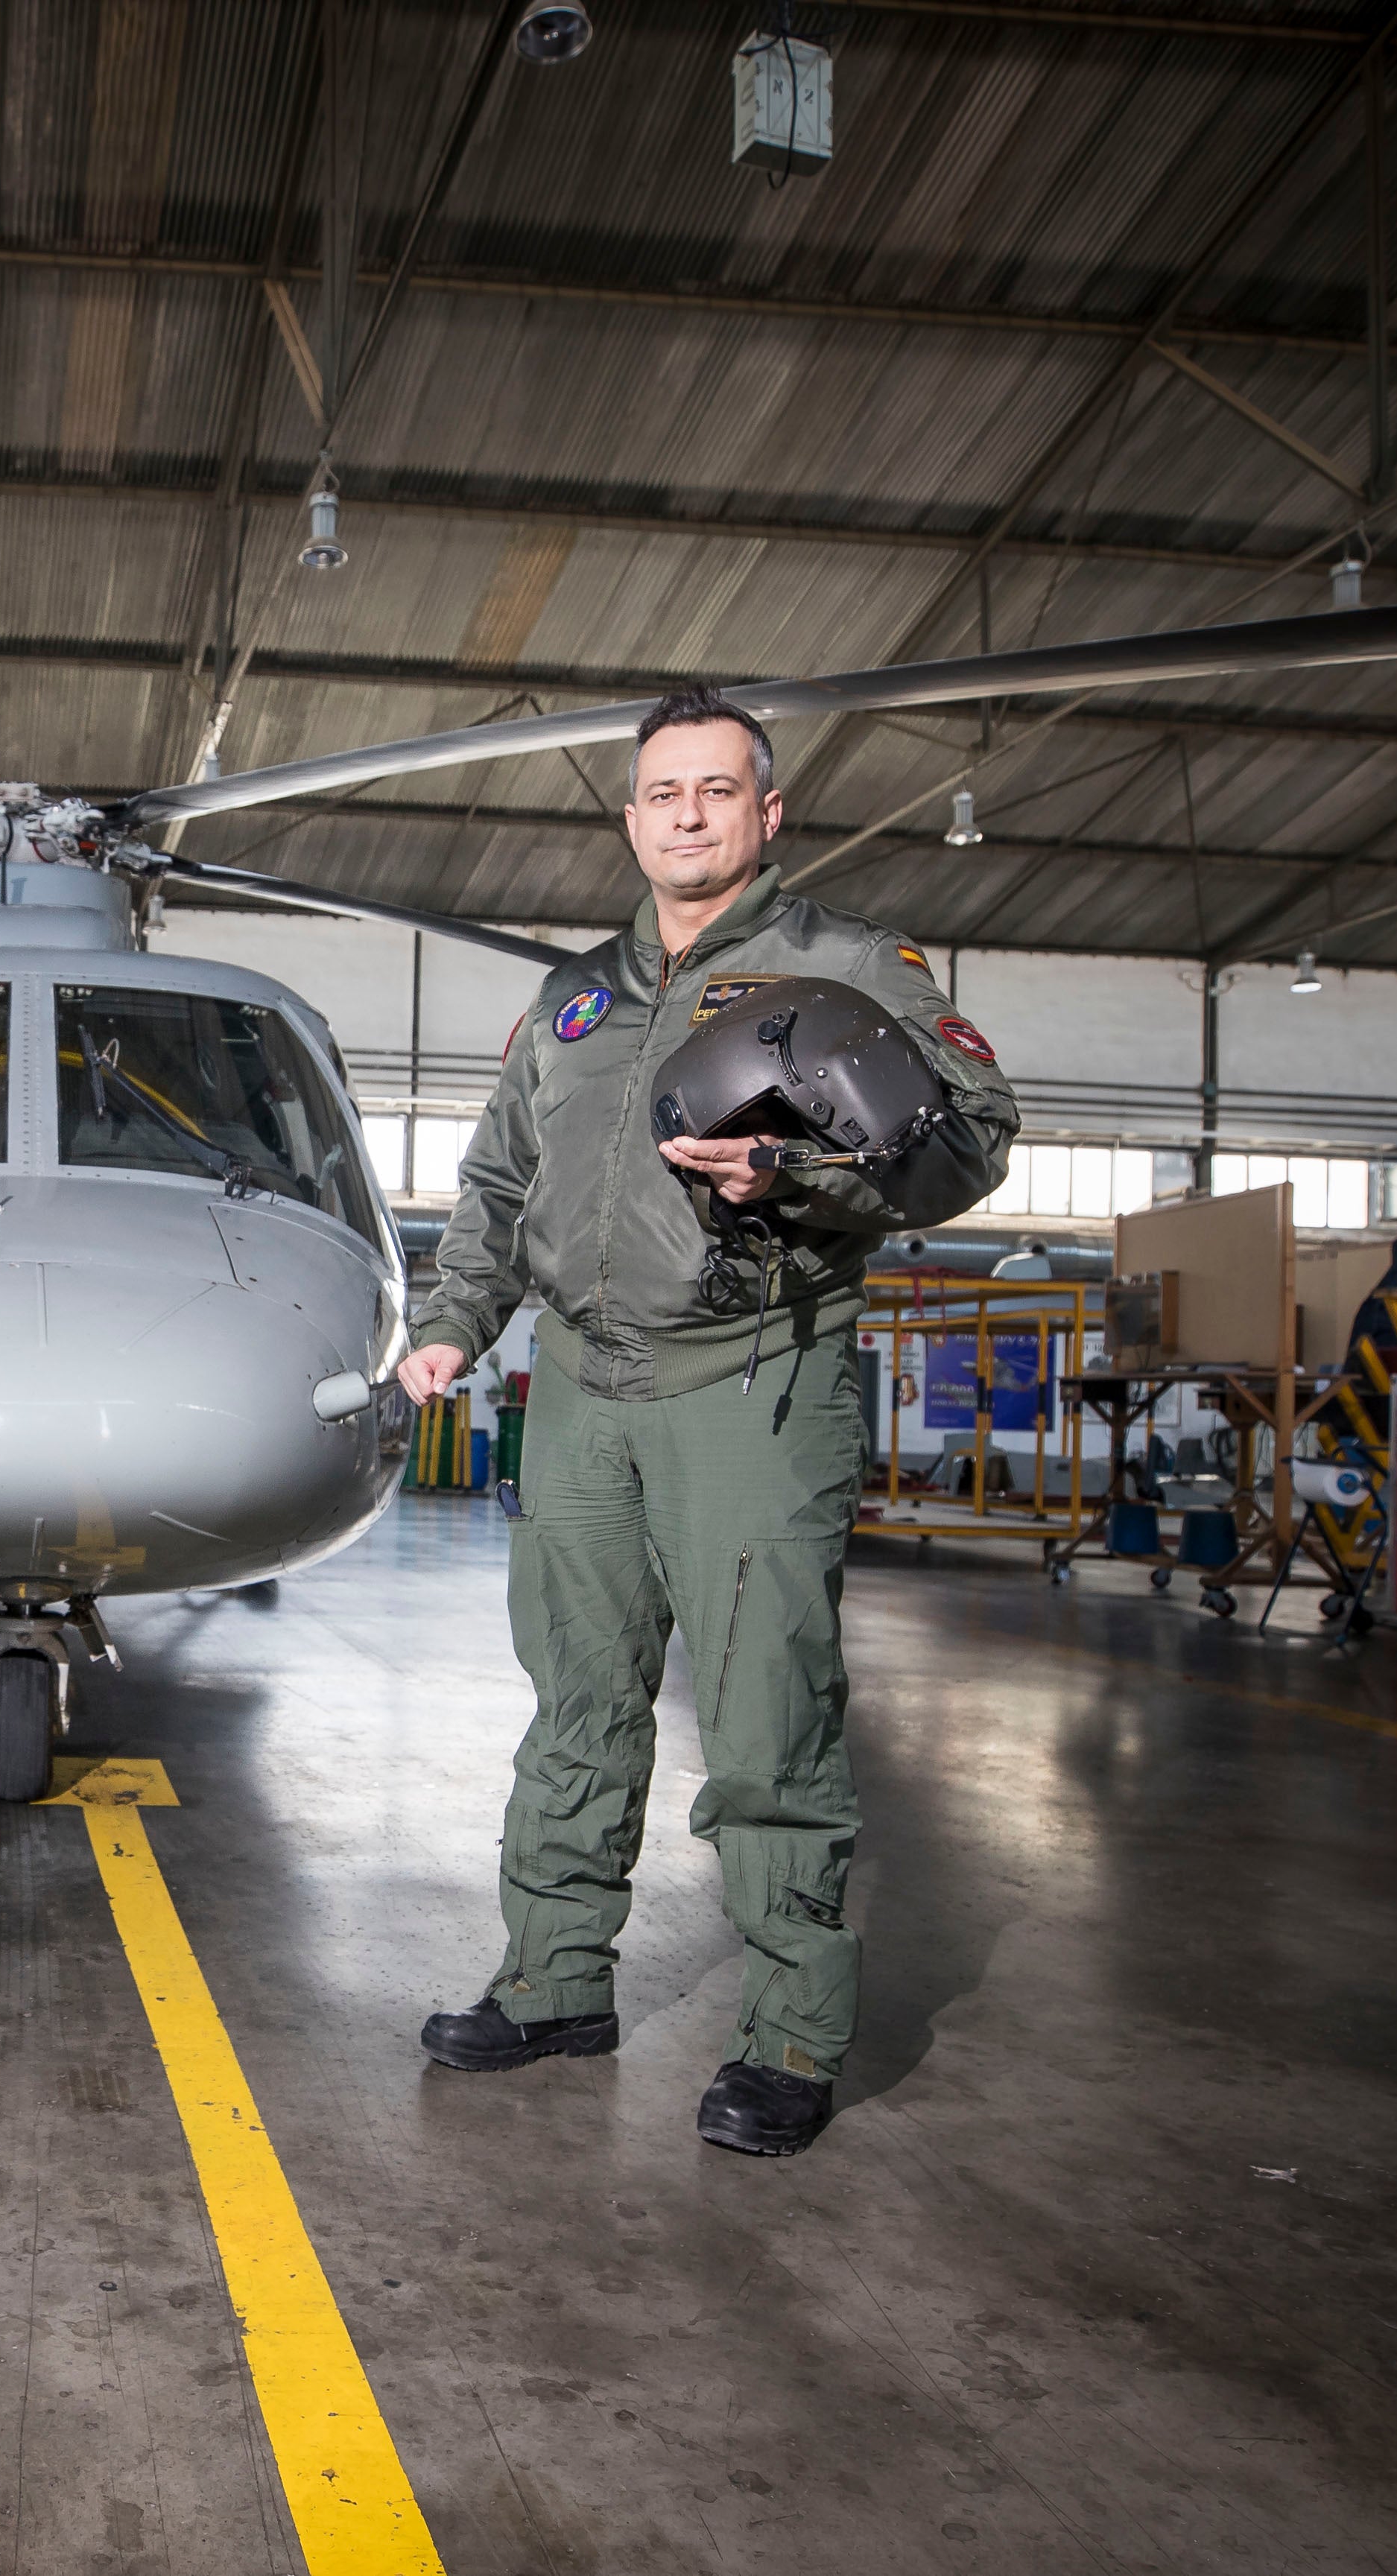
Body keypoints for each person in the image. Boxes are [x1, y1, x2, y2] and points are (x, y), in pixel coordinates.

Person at [398, 685, 1018, 2157]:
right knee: (575, 1699)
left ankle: (793, 2034)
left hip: (753, 1377)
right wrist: (446, 1325)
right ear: (631, 817)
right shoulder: (568, 999)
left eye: (715, 790)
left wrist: (787, 1184)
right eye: (661, 791)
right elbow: (494, 1190)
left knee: (761, 1715)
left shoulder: (848, 965)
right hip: (578, 1393)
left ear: (765, 811)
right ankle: (552, 1982)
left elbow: (971, 1141)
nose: (686, 813)